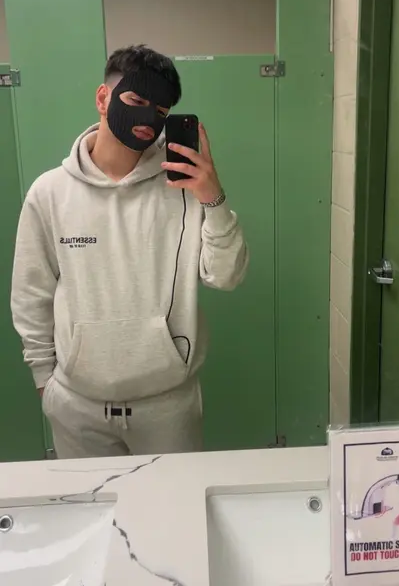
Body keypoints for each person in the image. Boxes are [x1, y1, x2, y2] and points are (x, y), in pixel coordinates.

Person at [11, 45, 248, 459]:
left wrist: (213, 198)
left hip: (167, 407)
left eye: (160, 110)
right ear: (103, 98)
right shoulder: (49, 193)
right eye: (136, 100)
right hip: (76, 407)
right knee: (89, 504)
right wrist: (44, 380)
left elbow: (226, 277)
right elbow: (31, 293)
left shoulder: (186, 188)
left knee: (173, 503)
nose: (147, 118)